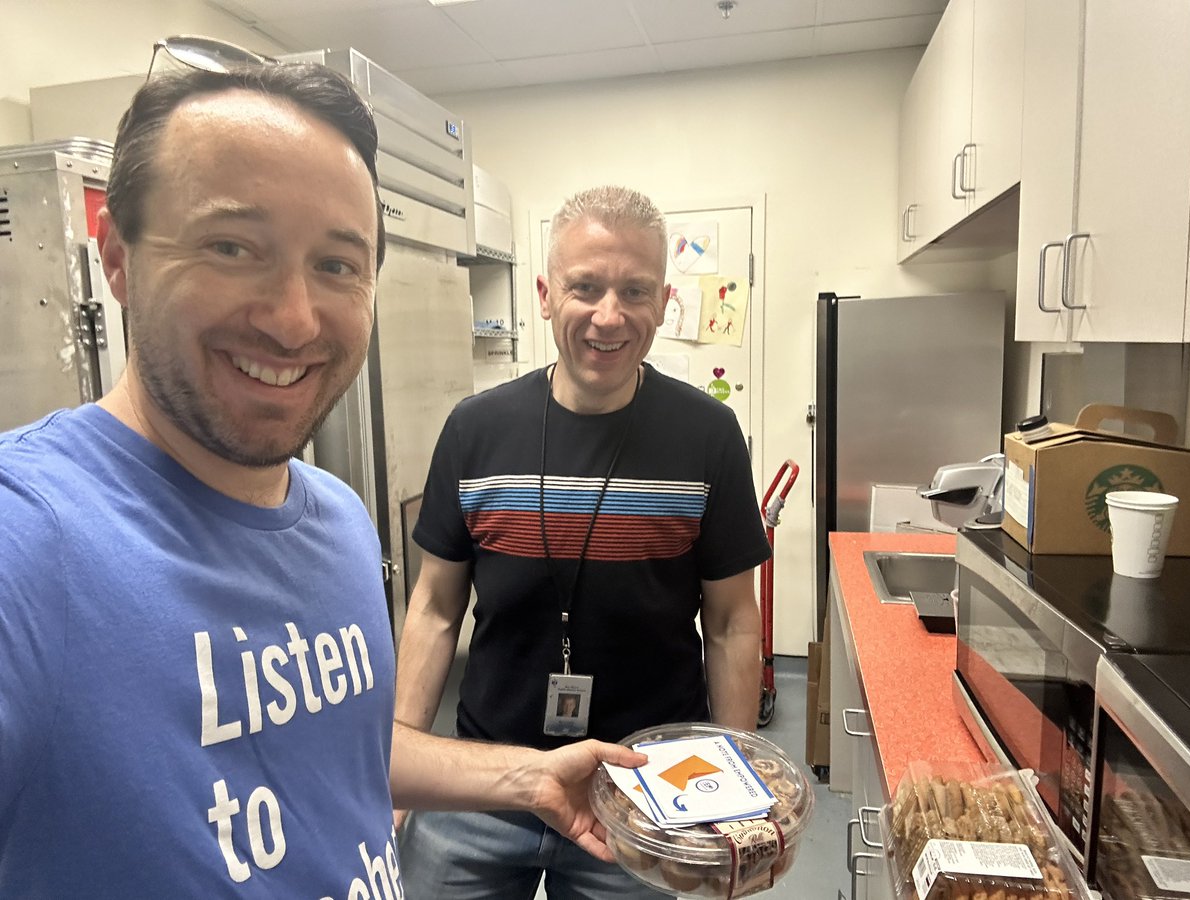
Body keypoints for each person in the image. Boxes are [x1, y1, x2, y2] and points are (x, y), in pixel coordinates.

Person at [0, 65, 644, 898]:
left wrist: (528, 778)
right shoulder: (30, 539)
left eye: (338, 265)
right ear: (119, 259)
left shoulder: (336, 519)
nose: (296, 318)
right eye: (233, 247)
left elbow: (338, 740)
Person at [394, 185, 771, 898]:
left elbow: (729, 622)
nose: (610, 315)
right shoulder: (475, 430)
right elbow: (435, 610)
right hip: (484, 778)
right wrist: (399, 770)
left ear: (663, 302)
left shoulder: (707, 437)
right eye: (586, 287)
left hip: (644, 790)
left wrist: (731, 789)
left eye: (634, 290)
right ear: (544, 294)